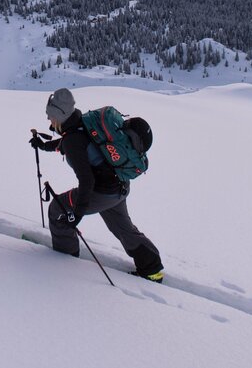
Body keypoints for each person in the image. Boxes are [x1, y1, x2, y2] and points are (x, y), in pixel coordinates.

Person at [30, 88, 164, 282]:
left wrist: (76, 213)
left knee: (57, 211)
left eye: (50, 116)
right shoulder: (82, 122)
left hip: (102, 191)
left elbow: (86, 180)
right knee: (123, 228)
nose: (49, 121)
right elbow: (75, 144)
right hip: (119, 186)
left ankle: (63, 261)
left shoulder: (72, 139)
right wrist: (44, 145)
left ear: (59, 115)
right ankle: (152, 268)